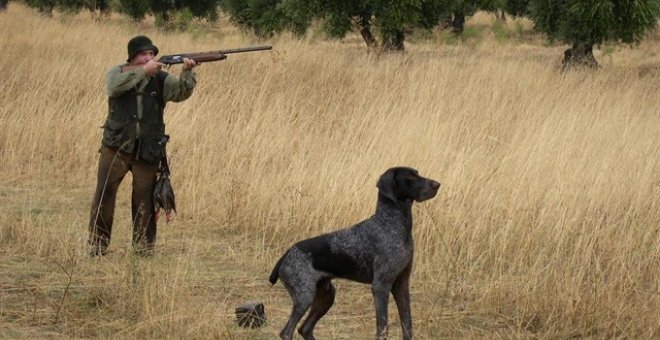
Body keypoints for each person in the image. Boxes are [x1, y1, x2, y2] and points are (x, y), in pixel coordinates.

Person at [88, 35, 198, 256]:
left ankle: (143, 249)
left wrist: (187, 72)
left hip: (148, 147)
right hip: (117, 144)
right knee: (105, 194)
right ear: (132, 57)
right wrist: (144, 71)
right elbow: (114, 88)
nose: (150, 57)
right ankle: (98, 246)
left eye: (152, 54)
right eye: (144, 54)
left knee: (145, 200)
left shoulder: (161, 79)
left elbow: (180, 93)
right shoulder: (117, 73)